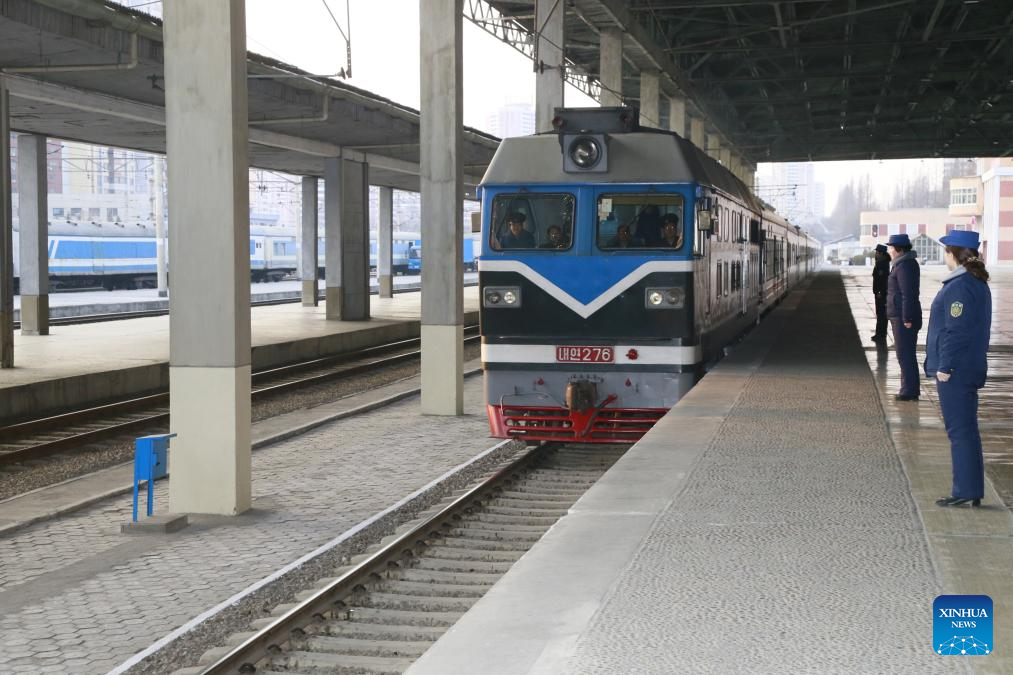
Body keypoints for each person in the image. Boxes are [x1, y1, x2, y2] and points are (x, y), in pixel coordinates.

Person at [923, 230, 992, 508]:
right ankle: (970, 489)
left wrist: (945, 366)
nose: (944, 255)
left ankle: (965, 490)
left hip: (957, 369)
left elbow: (957, 331)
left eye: (946, 251)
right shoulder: (974, 282)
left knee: (959, 431)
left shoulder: (960, 286)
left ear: (954, 253)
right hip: (968, 366)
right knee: (966, 430)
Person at [886, 233, 921, 401]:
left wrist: (907, 318)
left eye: (891, 248)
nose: (889, 251)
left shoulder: (905, 266)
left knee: (905, 354)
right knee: (905, 353)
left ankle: (909, 391)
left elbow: (909, 294)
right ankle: (908, 388)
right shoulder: (902, 264)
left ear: (898, 249)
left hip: (903, 318)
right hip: (900, 316)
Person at [871, 244, 890, 343]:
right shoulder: (883, 262)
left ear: (881, 253)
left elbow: (881, 280)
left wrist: (879, 292)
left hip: (881, 294)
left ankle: (881, 334)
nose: (876, 254)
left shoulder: (882, 264)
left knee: (881, 314)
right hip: (880, 293)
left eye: (877, 252)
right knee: (881, 314)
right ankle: (880, 333)